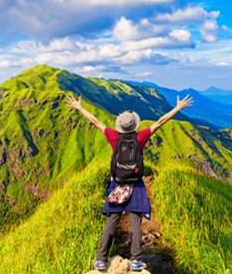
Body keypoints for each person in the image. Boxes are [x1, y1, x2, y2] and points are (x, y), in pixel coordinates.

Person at [66, 93, 193, 272]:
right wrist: (178, 108)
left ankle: (101, 259)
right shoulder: (140, 138)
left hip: (117, 184)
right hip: (136, 185)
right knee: (135, 223)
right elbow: (160, 122)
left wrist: (79, 107)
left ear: (120, 126)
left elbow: (95, 121)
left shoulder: (113, 137)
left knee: (112, 221)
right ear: (134, 125)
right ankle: (135, 260)